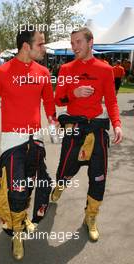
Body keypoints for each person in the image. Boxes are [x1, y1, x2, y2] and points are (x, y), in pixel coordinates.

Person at [0, 27, 56, 260]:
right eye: (41, 44)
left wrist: (53, 125)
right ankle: (17, 235)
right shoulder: (2, 72)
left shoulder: (43, 72)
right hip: (12, 142)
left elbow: (49, 102)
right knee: (17, 190)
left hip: (36, 141)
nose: (44, 48)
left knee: (31, 185)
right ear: (26, 46)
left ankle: (21, 220)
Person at [51, 27, 123, 242]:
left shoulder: (105, 69)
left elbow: (111, 101)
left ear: (91, 42)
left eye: (78, 42)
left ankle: (90, 217)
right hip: (74, 126)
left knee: (98, 175)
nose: (74, 47)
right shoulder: (65, 68)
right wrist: (73, 93)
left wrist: (117, 124)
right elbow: (58, 100)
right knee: (66, 167)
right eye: (72, 43)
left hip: (97, 128)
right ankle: (60, 184)